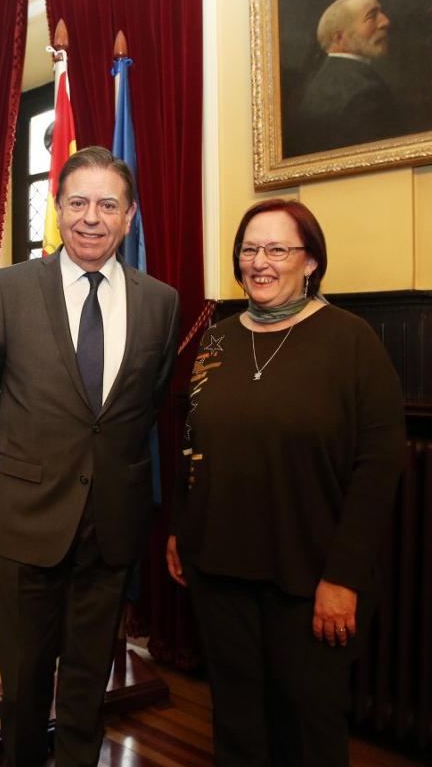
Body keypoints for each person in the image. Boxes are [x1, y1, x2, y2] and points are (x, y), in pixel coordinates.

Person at [166, 198, 406, 766]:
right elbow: (191, 442)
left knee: (307, 722)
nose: (260, 262)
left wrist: (343, 577)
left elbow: (380, 464)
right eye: (249, 249)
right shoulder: (218, 338)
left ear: (311, 262)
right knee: (237, 721)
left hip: (310, 577)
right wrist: (182, 529)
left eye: (278, 249)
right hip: (219, 569)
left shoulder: (351, 341)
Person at [0, 146, 181, 766]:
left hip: (111, 523)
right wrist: (37, 451)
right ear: (57, 210)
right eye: (78, 203)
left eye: (108, 204)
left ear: (130, 216)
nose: (92, 218)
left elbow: (147, 402)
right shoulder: (10, 288)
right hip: (27, 517)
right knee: (26, 683)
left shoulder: (160, 303)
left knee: (89, 683)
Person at [286, 0, 404, 157]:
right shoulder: (365, 92)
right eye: (372, 16)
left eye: (381, 13)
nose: (385, 22)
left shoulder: (320, 79)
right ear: (340, 38)